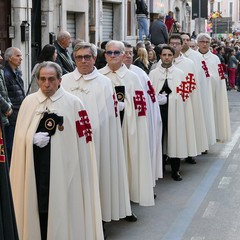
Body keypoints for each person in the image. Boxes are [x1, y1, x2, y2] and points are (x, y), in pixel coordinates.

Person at [10, 61, 104, 240]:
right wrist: (31, 138)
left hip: (64, 170)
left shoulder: (74, 103)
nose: (47, 84)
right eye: (43, 79)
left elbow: (84, 143)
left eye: (51, 79)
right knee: (36, 206)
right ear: (37, 80)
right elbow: (19, 136)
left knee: (59, 207)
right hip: (35, 167)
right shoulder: (28, 102)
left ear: (60, 80)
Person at [61, 42, 134, 226]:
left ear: (94, 58)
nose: (83, 61)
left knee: (97, 179)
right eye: (79, 57)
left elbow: (109, 115)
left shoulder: (104, 83)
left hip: (98, 140)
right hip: (69, 140)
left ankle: (97, 221)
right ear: (74, 59)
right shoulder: (65, 81)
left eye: (87, 57)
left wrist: (94, 131)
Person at [99, 40, 154, 206]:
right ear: (105, 55)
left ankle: (126, 204)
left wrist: (125, 106)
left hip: (127, 129)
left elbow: (141, 107)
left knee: (127, 165)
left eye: (117, 52)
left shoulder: (133, 78)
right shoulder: (99, 76)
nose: (113, 56)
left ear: (124, 55)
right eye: (110, 52)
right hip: (106, 130)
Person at [122, 42, 163, 188]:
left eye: (129, 53)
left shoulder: (140, 74)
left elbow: (149, 100)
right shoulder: (104, 75)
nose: (127, 56)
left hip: (137, 123)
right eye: (124, 52)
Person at [149, 46, 188, 181]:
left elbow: (184, 94)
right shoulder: (153, 73)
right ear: (160, 56)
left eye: (169, 55)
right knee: (158, 139)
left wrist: (170, 98)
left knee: (174, 138)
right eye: (164, 54)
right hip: (158, 111)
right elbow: (149, 92)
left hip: (175, 111)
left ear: (173, 56)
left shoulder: (179, 73)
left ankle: (175, 170)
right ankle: (158, 168)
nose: (166, 57)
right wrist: (157, 98)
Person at [169, 34, 209, 163]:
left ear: (181, 45)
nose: (174, 46)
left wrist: (183, 96)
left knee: (187, 126)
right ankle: (169, 155)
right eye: (172, 43)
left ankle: (189, 153)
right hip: (168, 102)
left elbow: (192, 82)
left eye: (177, 43)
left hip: (185, 100)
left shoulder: (189, 63)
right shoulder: (163, 61)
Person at [181, 32, 215, 148]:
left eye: (187, 40)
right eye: (183, 40)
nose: (185, 42)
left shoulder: (197, 57)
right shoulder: (173, 56)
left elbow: (204, 76)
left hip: (195, 92)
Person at [197, 33, 231, 142]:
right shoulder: (193, 57)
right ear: (198, 43)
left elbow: (220, 77)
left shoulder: (215, 59)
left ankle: (208, 139)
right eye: (202, 41)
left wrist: (210, 79)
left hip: (211, 93)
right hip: (197, 94)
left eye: (207, 42)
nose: (204, 44)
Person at [3, 47, 25, 166]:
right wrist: (10, 111)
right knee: (11, 147)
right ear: (9, 58)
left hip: (18, 114)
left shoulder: (16, 72)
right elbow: (5, 96)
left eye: (21, 56)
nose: (21, 58)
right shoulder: (6, 74)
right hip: (12, 115)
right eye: (18, 56)